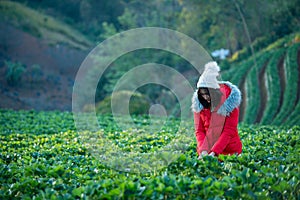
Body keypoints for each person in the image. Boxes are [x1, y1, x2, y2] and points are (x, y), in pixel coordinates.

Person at [191, 61, 242, 159]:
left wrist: (214, 152)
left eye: (208, 94)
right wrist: (203, 151)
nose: (206, 98)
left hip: (230, 152)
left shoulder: (230, 102)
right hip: (208, 151)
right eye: (202, 95)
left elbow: (229, 131)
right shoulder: (199, 104)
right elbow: (199, 130)